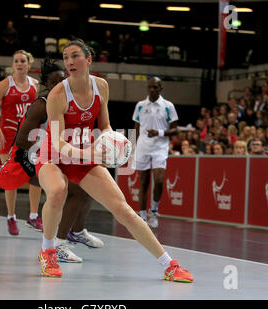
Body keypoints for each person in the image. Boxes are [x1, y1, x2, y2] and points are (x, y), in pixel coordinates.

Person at [35, 39, 193, 282]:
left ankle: (169, 265)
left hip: (85, 153)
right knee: (57, 190)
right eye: (66, 57)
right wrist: (91, 154)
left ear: (88, 60)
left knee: (123, 209)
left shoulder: (102, 86)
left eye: (75, 56)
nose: (69, 62)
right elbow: (58, 143)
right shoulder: (58, 94)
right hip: (53, 154)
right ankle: (48, 251)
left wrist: (114, 141)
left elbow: (104, 125)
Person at [14, 57, 103, 263]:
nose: (60, 85)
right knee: (74, 190)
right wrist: (45, 152)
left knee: (89, 185)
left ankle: (76, 231)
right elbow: (21, 140)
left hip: (58, 157)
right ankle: (58, 245)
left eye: (62, 80)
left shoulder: (67, 99)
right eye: (55, 82)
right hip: (33, 160)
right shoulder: (42, 104)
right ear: (46, 84)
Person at [0, 50, 41, 236]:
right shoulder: (4, 85)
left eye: (22, 60)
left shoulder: (36, 85)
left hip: (29, 136)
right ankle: (11, 217)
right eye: (16, 60)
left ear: (29, 64)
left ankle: (33, 216)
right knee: (11, 177)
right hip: (8, 135)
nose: (19, 63)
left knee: (36, 175)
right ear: (13, 64)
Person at [132, 76, 179, 229]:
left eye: (155, 87)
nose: (152, 90)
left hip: (160, 148)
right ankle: (142, 216)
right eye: (150, 87)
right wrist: (135, 146)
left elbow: (175, 130)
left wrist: (158, 133)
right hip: (143, 147)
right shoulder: (140, 105)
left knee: (159, 180)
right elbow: (137, 127)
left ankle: (154, 211)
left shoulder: (168, 106)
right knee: (144, 182)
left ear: (160, 89)